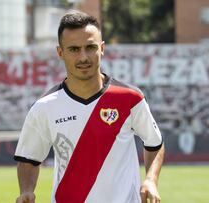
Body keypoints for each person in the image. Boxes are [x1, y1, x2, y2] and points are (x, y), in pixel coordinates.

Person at [14, 10, 165, 203]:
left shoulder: (130, 98)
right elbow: (29, 159)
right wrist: (26, 190)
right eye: (74, 49)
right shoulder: (44, 107)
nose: (83, 57)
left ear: (102, 48)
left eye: (90, 47)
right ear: (60, 52)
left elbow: (155, 143)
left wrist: (151, 180)